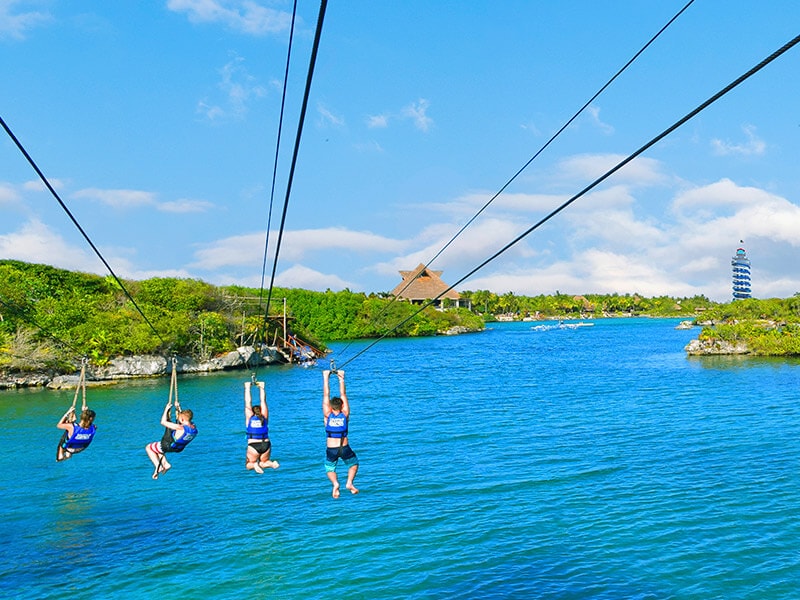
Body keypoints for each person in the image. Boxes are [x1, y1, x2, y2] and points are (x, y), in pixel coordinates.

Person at [323, 369, 359, 498]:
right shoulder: (345, 415)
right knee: (353, 464)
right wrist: (341, 378)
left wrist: (326, 377)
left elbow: (326, 395)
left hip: (331, 448)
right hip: (344, 447)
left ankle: (335, 484)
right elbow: (343, 394)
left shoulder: (327, 416)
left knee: (330, 469)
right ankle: (349, 483)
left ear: (331, 407)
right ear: (342, 406)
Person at [145, 399, 197, 480]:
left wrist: (166, 409)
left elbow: (163, 422)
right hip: (178, 448)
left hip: (168, 445)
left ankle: (158, 467)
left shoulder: (180, 427)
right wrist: (178, 408)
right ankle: (165, 464)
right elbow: (184, 418)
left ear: (182, 419)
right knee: (158, 449)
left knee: (149, 447)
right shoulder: (193, 427)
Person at [244, 380, 279, 473]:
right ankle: (272, 464)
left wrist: (247, 387)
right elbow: (263, 401)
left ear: (252, 411)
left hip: (253, 445)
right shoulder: (265, 417)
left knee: (248, 465)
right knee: (264, 462)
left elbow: (248, 402)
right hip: (266, 444)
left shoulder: (249, 419)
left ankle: (255, 465)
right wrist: (261, 387)